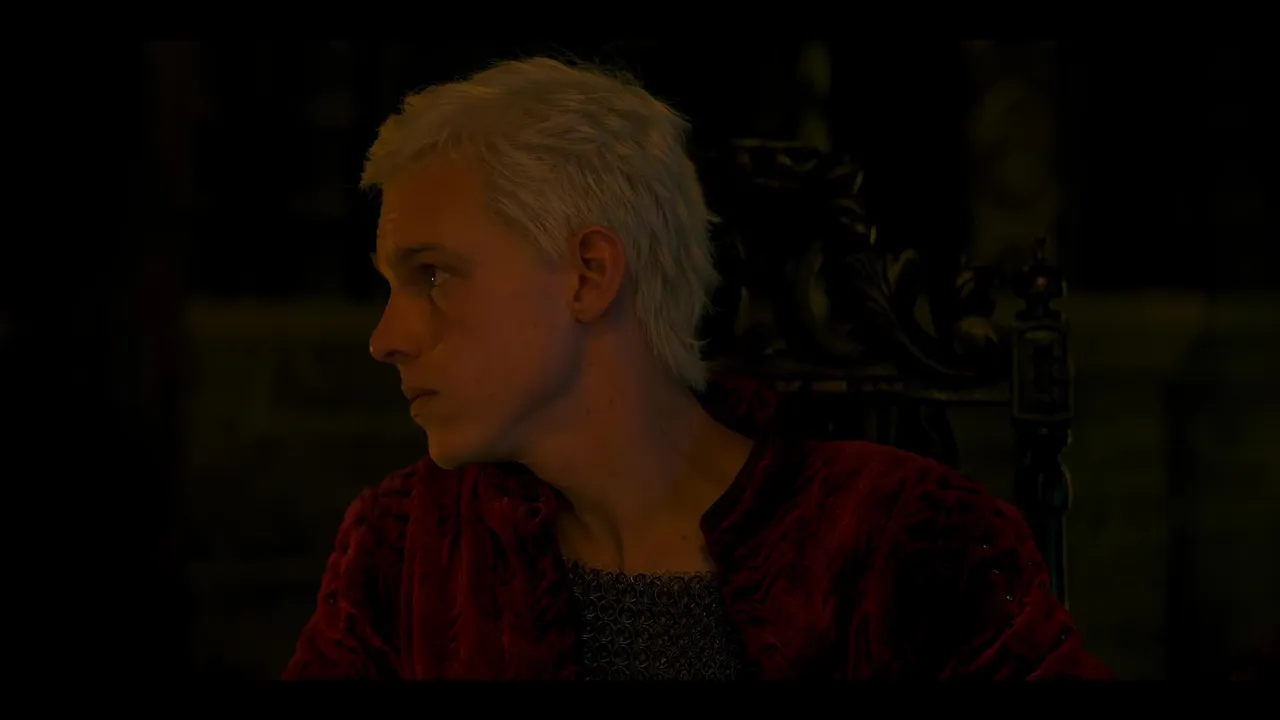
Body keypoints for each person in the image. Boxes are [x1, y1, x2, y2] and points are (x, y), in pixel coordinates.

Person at [283, 57, 1112, 680]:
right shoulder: (405, 549)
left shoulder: (910, 539)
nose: (386, 338)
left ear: (589, 275)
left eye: (433, 276)